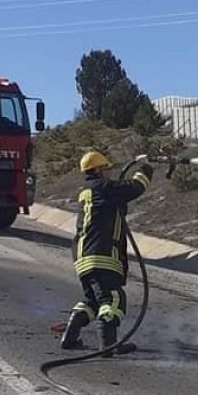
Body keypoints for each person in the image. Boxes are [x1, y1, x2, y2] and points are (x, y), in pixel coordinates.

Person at [59, 150, 153, 352]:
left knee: (93, 301)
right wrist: (146, 167)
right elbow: (137, 187)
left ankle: (70, 336)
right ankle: (108, 344)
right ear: (99, 169)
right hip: (102, 255)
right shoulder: (104, 187)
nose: (110, 172)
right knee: (113, 298)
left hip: (83, 257)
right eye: (107, 168)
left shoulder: (87, 190)